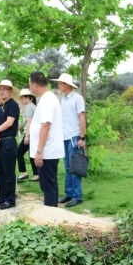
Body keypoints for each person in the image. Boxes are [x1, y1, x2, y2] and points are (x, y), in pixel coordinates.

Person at [29, 71, 64, 207]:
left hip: (47, 152)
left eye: (29, 84)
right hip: (47, 150)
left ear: (34, 84)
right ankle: (52, 213)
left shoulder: (48, 100)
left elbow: (45, 126)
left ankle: (50, 215)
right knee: (48, 185)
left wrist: (39, 151)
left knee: (48, 186)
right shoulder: (46, 98)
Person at [51, 73, 86, 208]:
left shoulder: (77, 98)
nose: (59, 85)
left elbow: (81, 117)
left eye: (61, 83)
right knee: (67, 167)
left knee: (74, 167)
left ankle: (77, 196)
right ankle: (69, 193)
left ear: (67, 85)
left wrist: (82, 137)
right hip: (64, 137)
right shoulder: (63, 100)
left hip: (74, 137)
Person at [0, 79, 21, 210]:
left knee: (8, 172)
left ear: (10, 91)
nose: (1, 91)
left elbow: (9, 122)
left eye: (4, 89)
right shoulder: (0, 107)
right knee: (0, 171)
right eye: (0, 89)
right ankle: (2, 197)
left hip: (8, 141)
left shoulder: (13, 105)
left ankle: (10, 199)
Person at [16, 88, 38, 181]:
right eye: (21, 98)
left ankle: (24, 173)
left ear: (29, 98)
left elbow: (29, 121)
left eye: (23, 98)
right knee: (31, 154)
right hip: (34, 133)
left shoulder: (29, 107)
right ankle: (36, 174)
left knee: (19, 153)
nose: (22, 100)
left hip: (30, 134)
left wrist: (27, 136)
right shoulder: (32, 106)